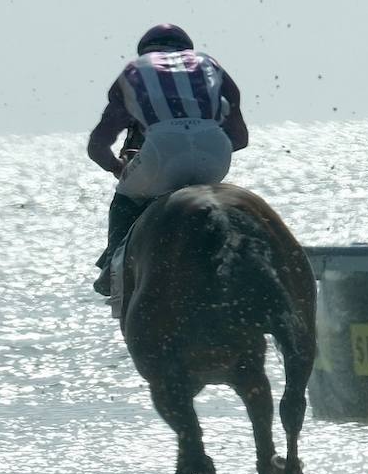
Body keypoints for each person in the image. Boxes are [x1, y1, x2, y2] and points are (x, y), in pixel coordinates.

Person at [86, 24, 249, 295]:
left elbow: (97, 146)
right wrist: (202, 150)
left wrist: (119, 168)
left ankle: (112, 269)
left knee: (125, 196)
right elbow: (240, 138)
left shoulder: (134, 71)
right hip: (215, 147)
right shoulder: (209, 64)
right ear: (187, 49)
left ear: (145, 51)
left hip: (161, 148)